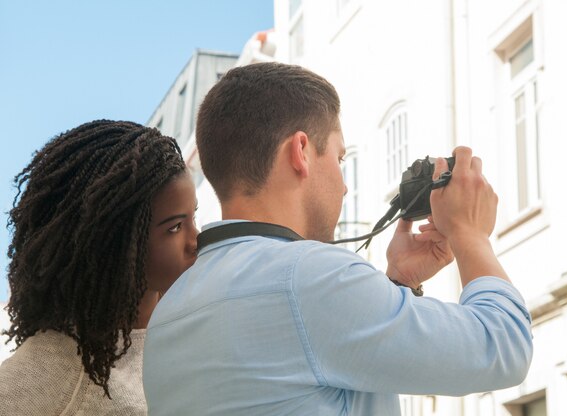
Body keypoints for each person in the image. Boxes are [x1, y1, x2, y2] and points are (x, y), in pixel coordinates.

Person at [143, 62, 533, 415]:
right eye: (340, 158)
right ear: (301, 152)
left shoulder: (169, 313)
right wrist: (470, 234)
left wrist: (396, 284)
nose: (346, 187)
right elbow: (504, 346)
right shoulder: (309, 276)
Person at [0, 120, 198, 415]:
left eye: (194, 217)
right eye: (175, 228)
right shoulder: (52, 372)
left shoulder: (194, 332)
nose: (196, 240)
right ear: (116, 242)